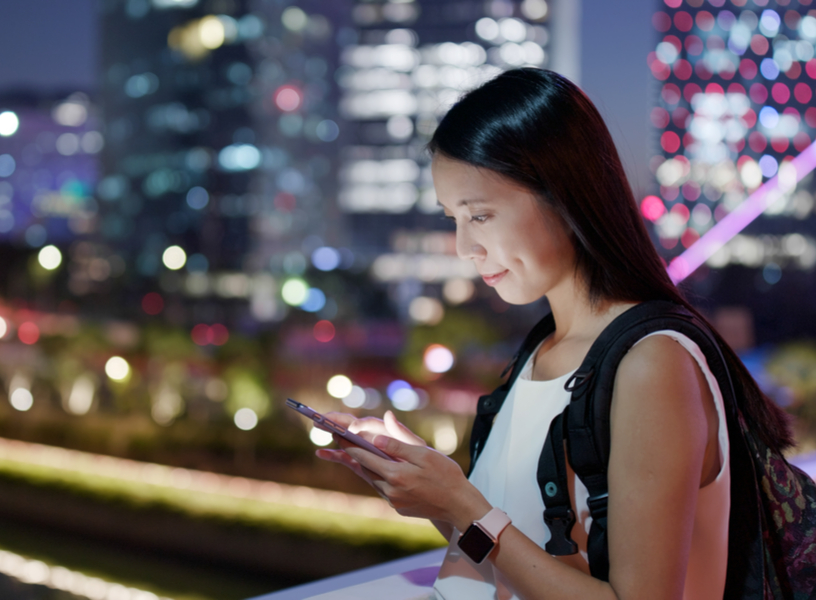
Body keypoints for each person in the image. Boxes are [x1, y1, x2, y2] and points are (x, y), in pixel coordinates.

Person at [316, 68, 793, 600]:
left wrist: (458, 501)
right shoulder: (542, 350)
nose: (463, 247)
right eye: (453, 217)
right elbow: (508, 549)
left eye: (480, 215)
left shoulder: (651, 363)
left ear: (562, 197)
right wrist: (433, 487)